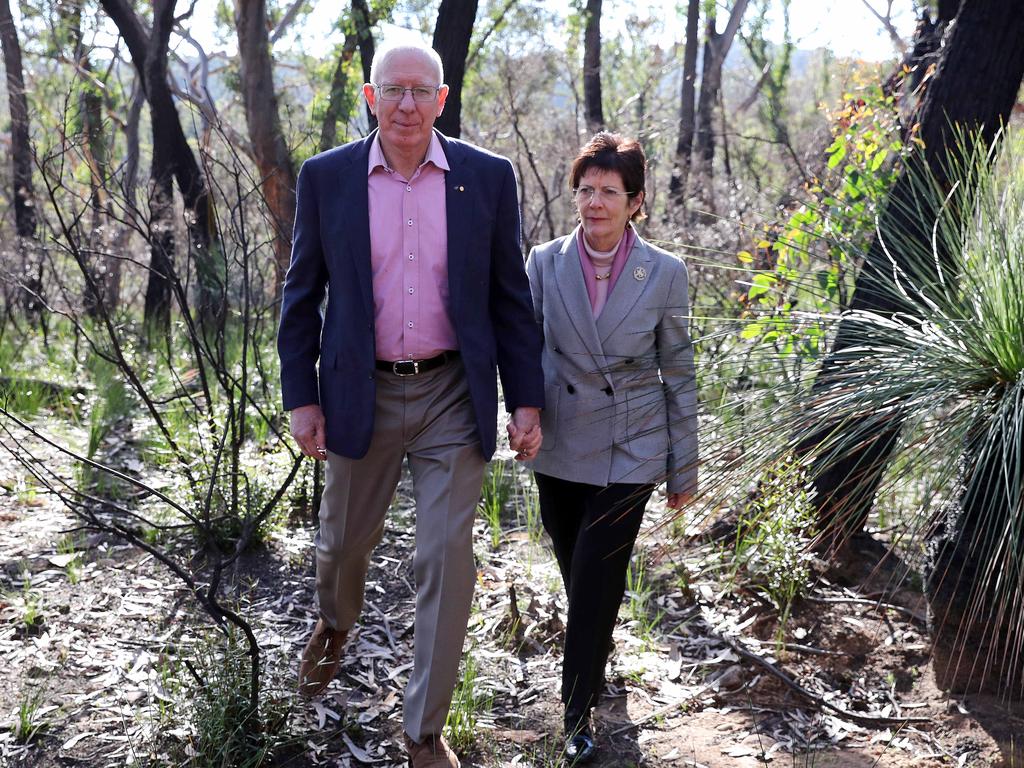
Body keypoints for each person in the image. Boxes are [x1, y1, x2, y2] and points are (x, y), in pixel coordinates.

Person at [277, 42, 544, 768]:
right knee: (340, 547)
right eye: (392, 90)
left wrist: (526, 399)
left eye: (419, 91)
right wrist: (301, 396)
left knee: (445, 557)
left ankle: (423, 730)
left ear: (442, 98)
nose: (405, 105)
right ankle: (335, 622)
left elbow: (509, 298)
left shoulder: (488, 178)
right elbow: (301, 294)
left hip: (451, 393)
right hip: (358, 390)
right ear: (369, 96)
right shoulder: (327, 177)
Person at [525, 132, 698, 762]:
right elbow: (526, 349)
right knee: (577, 566)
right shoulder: (544, 261)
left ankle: (576, 716)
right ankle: (597, 647)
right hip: (562, 436)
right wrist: (520, 415)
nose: (594, 202)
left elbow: (678, 370)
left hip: (634, 445)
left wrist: (685, 465)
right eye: (586, 190)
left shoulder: (666, 273)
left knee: (598, 574)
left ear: (635, 202)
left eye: (609, 192)